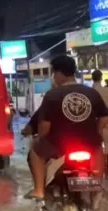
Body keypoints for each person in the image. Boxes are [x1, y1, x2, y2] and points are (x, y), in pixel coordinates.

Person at [26, 55, 108, 201]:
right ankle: (98, 187)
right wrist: (97, 131)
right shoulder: (91, 92)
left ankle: (39, 190)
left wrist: (41, 137)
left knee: (35, 150)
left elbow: (44, 127)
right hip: (88, 142)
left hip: (60, 144)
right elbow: (104, 117)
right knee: (98, 147)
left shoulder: (52, 95)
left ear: (58, 73)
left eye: (53, 73)